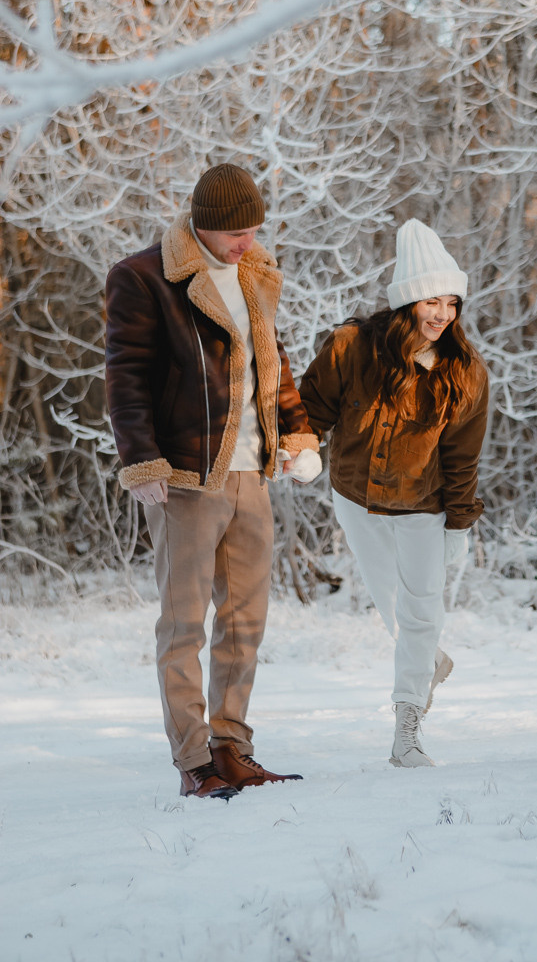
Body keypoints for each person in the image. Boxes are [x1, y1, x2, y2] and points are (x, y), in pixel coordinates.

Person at [105, 163, 322, 800]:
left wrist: (297, 434)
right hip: (185, 478)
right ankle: (193, 759)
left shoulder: (254, 274)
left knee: (245, 622)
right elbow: (126, 378)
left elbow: (272, 366)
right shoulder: (145, 278)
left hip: (252, 475)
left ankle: (232, 748)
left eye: (255, 229)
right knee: (184, 625)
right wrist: (141, 460)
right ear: (204, 224)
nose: (248, 242)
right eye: (237, 232)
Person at [298, 219, 489, 768]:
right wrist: (306, 447)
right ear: (408, 301)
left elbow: (462, 457)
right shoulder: (352, 346)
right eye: (432, 300)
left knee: (423, 612)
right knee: (394, 609)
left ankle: (407, 729)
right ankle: (427, 662)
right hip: (355, 497)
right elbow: (313, 407)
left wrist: (459, 522)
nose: (442, 314)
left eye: (451, 302)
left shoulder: (466, 372)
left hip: (424, 507)